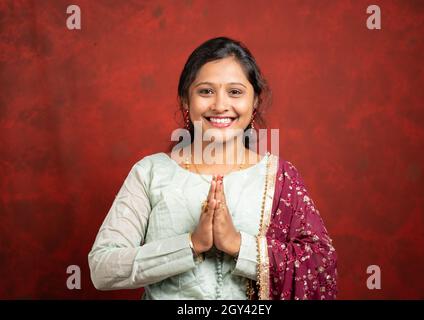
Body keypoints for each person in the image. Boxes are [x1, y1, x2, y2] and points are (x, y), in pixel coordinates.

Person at [88, 36, 337, 300]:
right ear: (186, 100)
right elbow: (103, 268)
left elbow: (321, 268)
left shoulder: (279, 177)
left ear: (254, 102)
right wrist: (191, 245)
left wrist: (238, 244)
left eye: (235, 92)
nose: (220, 105)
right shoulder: (150, 172)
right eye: (205, 91)